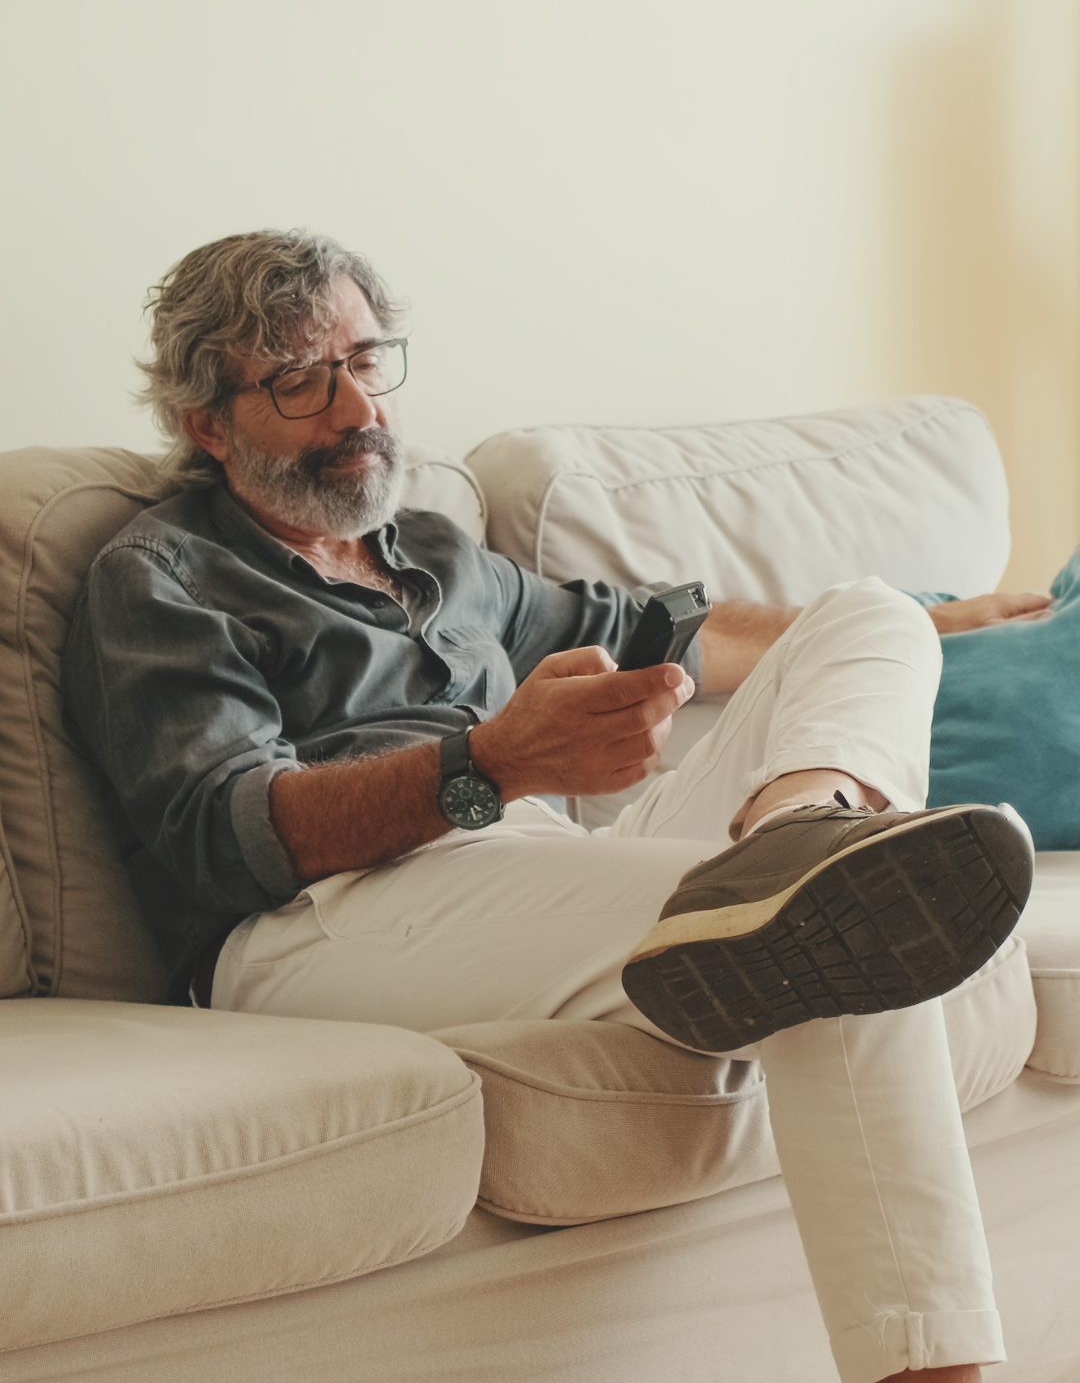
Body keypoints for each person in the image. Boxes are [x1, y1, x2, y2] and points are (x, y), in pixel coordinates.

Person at [62, 228, 1040, 1383]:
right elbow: (231, 837)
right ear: (208, 424)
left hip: (516, 861)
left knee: (869, 616)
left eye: (366, 361)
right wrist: (489, 766)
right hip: (315, 922)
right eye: (298, 381)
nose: (356, 408)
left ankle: (799, 828)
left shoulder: (432, 551)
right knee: (842, 921)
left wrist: (945, 621)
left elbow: (660, 634)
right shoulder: (163, 578)